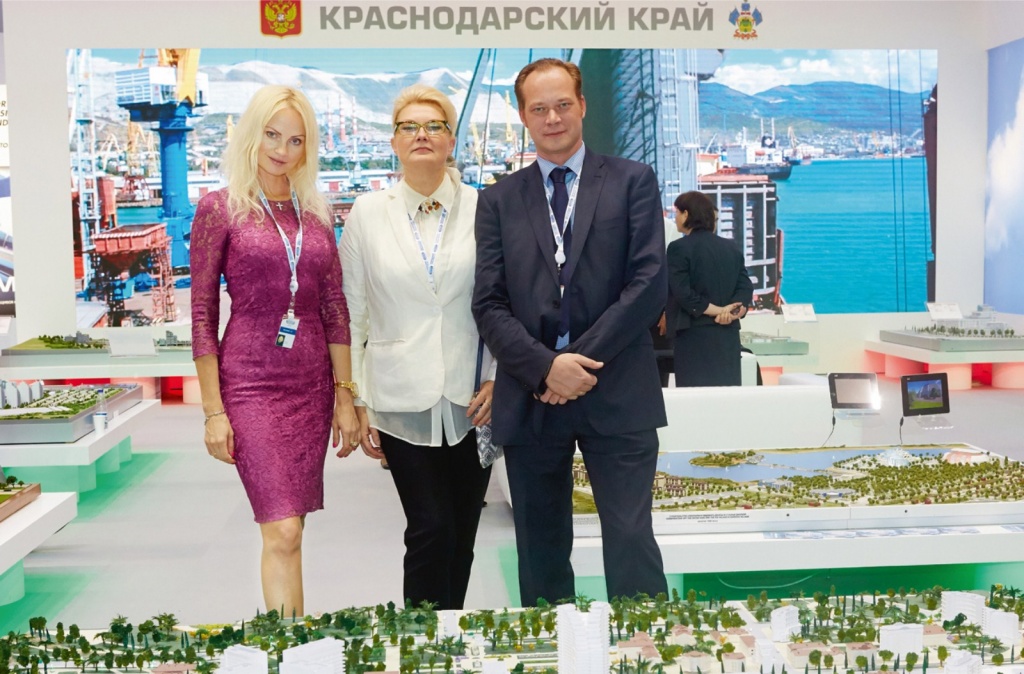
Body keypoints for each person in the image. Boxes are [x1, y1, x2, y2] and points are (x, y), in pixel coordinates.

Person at [472, 58, 668, 607]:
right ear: (523, 116)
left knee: (630, 537)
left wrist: (575, 365)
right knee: (540, 546)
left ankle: (643, 644)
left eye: (562, 105)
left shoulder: (632, 180)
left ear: (582, 105)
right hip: (532, 394)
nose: (552, 118)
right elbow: (488, 302)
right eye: (539, 108)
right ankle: (551, 647)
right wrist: (545, 368)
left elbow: (649, 284)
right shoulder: (498, 200)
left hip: (617, 387)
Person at [191, 85, 361, 616]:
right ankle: (290, 645)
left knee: (293, 528)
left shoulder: (316, 213)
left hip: (311, 386)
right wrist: (213, 411)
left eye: (295, 140)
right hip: (251, 384)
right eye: (271, 134)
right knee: (282, 529)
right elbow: (202, 314)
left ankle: (295, 640)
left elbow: (334, 307)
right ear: (251, 134)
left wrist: (345, 395)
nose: (281, 150)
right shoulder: (220, 208)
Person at [339, 84, 494, 611]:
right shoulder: (367, 212)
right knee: (430, 525)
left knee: (464, 532)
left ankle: (450, 633)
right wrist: (355, 397)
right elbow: (353, 312)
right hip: (398, 395)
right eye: (409, 126)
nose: (421, 134)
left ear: (452, 140)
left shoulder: (484, 208)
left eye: (434, 126)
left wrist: (497, 376)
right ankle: (421, 639)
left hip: (474, 397)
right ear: (394, 142)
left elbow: (503, 301)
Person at [667, 190, 754, 387]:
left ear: (686, 214)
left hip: (694, 337)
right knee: (727, 397)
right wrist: (731, 312)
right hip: (728, 336)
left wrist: (719, 311)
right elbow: (745, 287)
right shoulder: (731, 247)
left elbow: (683, 293)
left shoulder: (678, 248)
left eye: (677, 212)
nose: (675, 218)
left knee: (695, 398)